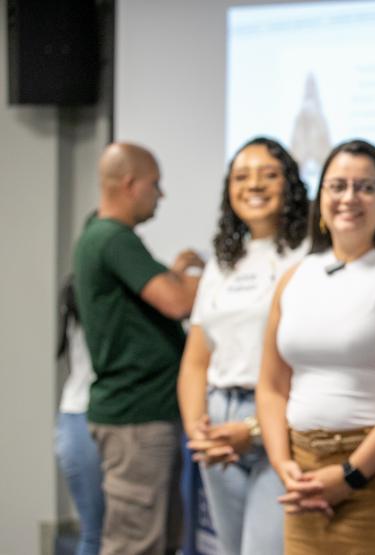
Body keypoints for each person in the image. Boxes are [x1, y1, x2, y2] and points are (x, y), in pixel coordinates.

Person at [256, 139, 375, 553]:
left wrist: (349, 475)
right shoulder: (293, 277)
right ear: (320, 196)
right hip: (306, 480)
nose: (349, 197)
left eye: (366, 187)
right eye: (337, 185)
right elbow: (271, 386)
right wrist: (284, 466)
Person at [177, 137, 309, 555]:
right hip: (218, 422)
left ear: (290, 184)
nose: (253, 185)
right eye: (241, 176)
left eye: (268, 175)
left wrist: (253, 430)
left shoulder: (310, 253)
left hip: (281, 419)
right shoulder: (223, 260)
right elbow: (197, 359)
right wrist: (197, 428)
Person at [73, 142, 203, 555]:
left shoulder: (104, 235)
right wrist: (221, 280)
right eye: (155, 185)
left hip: (141, 416)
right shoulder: (113, 237)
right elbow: (178, 302)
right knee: (136, 545)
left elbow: (154, 296)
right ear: (130, 184)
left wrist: (175, 274)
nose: (160, 195)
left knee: (154, 540)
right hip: (136, 419)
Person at [54, 276, 104, 555]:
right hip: (82, 419)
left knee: (98, 532)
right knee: (96, 534)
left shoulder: (75, 309)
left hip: (75, 421)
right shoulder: (89, 318)